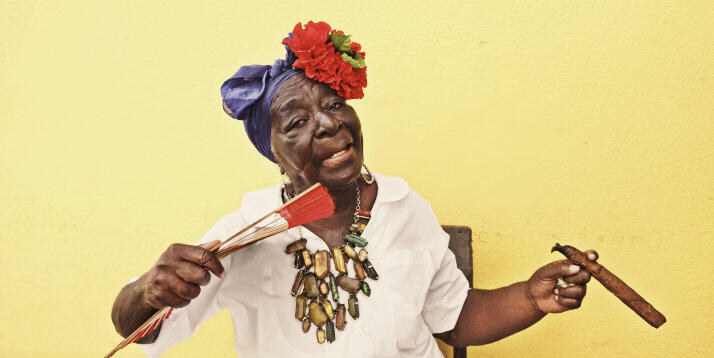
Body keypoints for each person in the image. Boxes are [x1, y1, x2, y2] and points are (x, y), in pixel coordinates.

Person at [110, 21, 598, 357]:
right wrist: (148, 289)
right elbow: (137, 331)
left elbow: (454, 318)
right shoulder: (245, 231)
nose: (327, 125)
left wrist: (531, 299)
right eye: (297, 121)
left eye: (335, 104)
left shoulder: (408, 208)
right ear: (274, 153)